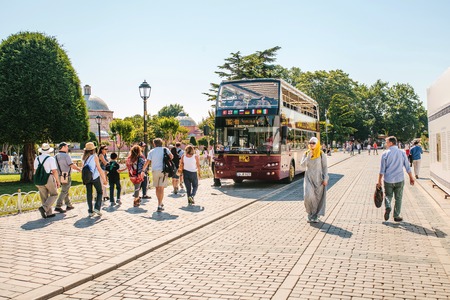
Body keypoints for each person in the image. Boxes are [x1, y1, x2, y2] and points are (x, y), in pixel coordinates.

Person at [377, 136, 415, 222]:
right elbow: (407, 166)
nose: (385, 144)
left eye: (386, 142)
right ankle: (396, 215)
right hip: (399, 179)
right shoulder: (402, 153)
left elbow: (382, 169)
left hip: (388, 180)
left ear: (391, 143)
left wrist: (379, 181)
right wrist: (411, 177)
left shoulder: (385, 154)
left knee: (388, 196)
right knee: (398, 198)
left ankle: (388, 207)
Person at [301, 137, 328, 223]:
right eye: (310, 143)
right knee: (308, 196)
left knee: (317, 198)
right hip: (308, 178)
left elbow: (325, 167)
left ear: (317, 144)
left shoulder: (321, 154)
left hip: (318, 179)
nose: (311, 144)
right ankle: (309, 213)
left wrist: (326, 178)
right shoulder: (306, 153)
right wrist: (309, 156)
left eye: (313, 143)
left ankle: (315, 215)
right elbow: (302, 165)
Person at [142, 138, 173, 212]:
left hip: (155, 171)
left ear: (154, 144)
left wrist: (143, 170)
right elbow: (171, 157)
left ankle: (159, 203)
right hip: (164, 170)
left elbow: (147, 162)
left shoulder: (151, 152)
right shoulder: (165, 149)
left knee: (157, 188)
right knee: (161, 188)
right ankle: (160, 204)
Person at [35, 143, 60, 219]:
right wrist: (57, 181)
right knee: (54, 194)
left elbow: (35, 170)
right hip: (48, 177)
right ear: (49, 150)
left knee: (44, 196)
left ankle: (48, 213)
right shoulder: (50, 159)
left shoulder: (37, 158)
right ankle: (44, 208)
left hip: (39, 178)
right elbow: (54, 171)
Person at [54, 142, 81, 213]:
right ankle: (58, 206)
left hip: (59, 175)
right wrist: (79, 169)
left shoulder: (55, 156)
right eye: (66, 146)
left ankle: (69, 204)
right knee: (64, 191)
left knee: (65, 190)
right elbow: (71, 165)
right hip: (65, 175)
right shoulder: (66, 156)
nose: (67, 148)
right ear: (63, 147)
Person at [82, 142, 107, 217]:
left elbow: (83, 168)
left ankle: (90, 211)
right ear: (93, 149)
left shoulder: (83, 157)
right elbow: (99, 169)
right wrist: (104, 179)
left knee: (89, 194)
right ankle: (97, 208)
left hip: (87, 177)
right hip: (95, 177)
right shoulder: (94, 156)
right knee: (100, 192)